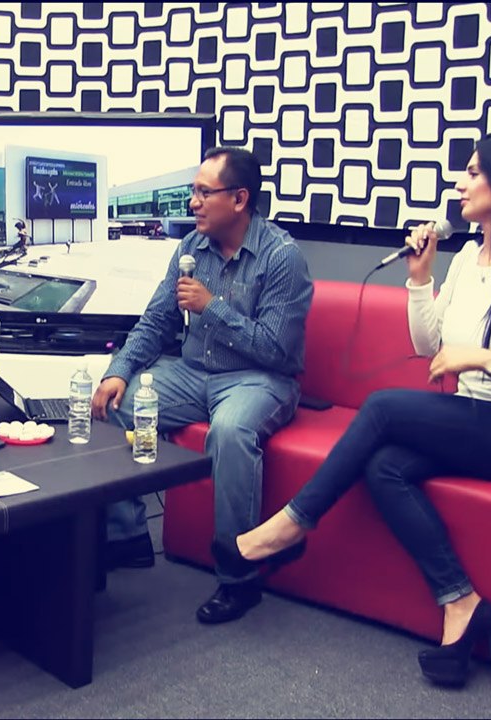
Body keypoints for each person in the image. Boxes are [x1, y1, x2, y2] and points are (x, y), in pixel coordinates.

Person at [226, 133, 491, 687]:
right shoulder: (466, 260)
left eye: (474, 172)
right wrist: (420, 279)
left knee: (383, 408)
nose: (460, 184)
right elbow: (428, 345)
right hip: (474, 417)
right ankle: (461, 603)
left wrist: (487, 359)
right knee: (385, 466)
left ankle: (292, 526)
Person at [92, 146, 314, 623]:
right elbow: (157, 320)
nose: (192, 203)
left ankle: (239, 577)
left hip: (259, 379)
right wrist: (119, 371)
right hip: (194, 373)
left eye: (202, 193)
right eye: (192, 192)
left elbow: (276, 349)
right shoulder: (191, 248)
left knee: (230, 433)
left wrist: (212, 307)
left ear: (239, 199)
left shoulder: (282, 258)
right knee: (115, 405)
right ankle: (126, 536)